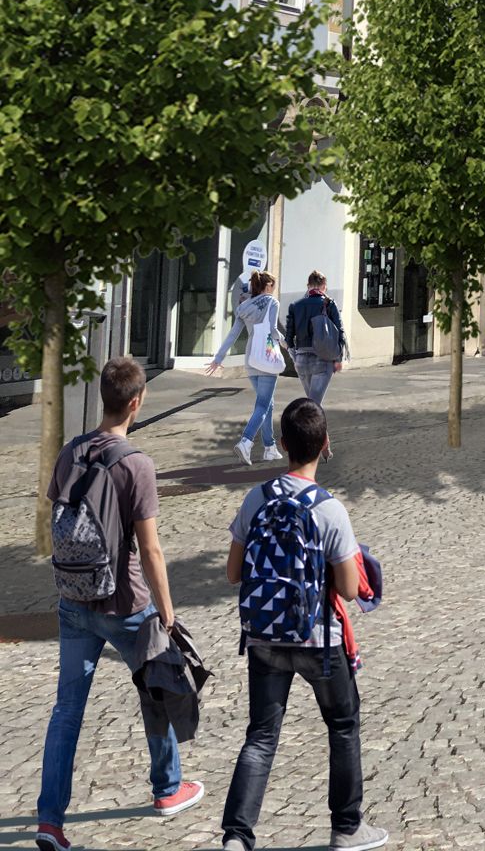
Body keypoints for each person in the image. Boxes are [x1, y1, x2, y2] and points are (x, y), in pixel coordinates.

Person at [36, 356, 205, 851]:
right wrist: (166, 612)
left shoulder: (70, 452)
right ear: (136, 402)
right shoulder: (137, 464)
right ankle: (167, 790)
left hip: (73, 598)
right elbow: (150, 548)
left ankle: (49, 821)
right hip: (127, 602)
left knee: (66, 710)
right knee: (157, 685)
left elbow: (57, 518)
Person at [220, 399, 386, 851]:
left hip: (263, 635)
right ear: (324, 445)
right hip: (318, 639)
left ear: (284, 444)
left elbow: (234, 574)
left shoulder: (256, 498)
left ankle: (237, 837)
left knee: (261, 735)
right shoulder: (329, 509)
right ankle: (347, 828)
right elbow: (350, 590)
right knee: (343, 725)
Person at [205, 271, 285, 466]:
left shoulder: (244, 307)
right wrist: (285, 343)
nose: (274, 289)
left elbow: (233, 335)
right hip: (267, 356)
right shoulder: (272, 303)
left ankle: (269, 448)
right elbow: (273, 331)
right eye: (273, 285)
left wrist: (218, 358)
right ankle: (246, 442)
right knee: (263, 405)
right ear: (267, 286)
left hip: (251, 358)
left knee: (267, 403)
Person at [282, 270, 346, 409]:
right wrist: (339, 358)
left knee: (312, 403)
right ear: (324, 286)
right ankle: (311, 430)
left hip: (301, 361)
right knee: (314, 408)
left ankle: (314, 430)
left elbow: (288, 339)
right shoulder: (329, 304)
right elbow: (340, 332)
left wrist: (295, 358)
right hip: (322, 360)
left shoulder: (296, 306)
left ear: (308, 285)